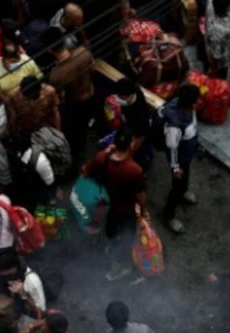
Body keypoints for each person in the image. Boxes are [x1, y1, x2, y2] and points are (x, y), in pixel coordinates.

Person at [84, 128, 146, 280]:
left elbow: (85, 171)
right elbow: (141, 196)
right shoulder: (135, 170)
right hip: (125, 211)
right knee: (125, 240)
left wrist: (105, 153)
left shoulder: (102, 157)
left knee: (111, 232)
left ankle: (110, 247)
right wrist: (143, 211)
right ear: (131, 145)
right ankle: (115, 270)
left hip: (106, 205)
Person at [43, 26, 95, 159]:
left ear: (49, 50)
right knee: (84, 125)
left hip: (74, 105)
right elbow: (93, 69)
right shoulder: (83, 52)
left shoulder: (56, 75)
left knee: (74, 131)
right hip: (90, 95)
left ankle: (76, 151)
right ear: (64, 40)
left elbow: (60, 97)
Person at [163, 84, 201, 233]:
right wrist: (175, 168)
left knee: (186, 176)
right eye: (197, 100)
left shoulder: (186, 106)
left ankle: (184, 191)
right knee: (176, 188)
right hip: (179, 160)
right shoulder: (175, 126)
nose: (199, 101)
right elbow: (172, 148)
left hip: (187, 155)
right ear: (191, 103)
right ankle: (168, 216)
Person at [104, 78, 152, 170]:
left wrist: (128, 155)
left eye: (121, 97)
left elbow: (140, 137)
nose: (118, 99)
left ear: (130, 96)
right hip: (125, 126)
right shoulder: (127, 90)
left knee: (139, 159)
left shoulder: (140, 114)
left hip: (137, 134)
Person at [0, 248, 46, 322]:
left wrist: (23, 293)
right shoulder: (10, 270)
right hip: (16, 304)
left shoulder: (32, 281)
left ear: (10, 269)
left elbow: (41, 309)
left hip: (28, 313)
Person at [204, 0, 230, 79]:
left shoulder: (217, 31)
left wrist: (212, 70)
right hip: (228, 55)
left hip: (221, 62)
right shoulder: (229, 16)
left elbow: (216, 55)